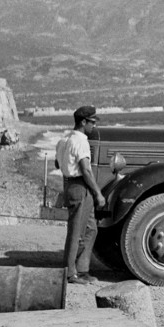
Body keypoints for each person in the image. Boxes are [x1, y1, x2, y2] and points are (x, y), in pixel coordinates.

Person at [55, 105, 106, 285]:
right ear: (83, 122)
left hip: (70, 184)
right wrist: (98, 193)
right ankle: (70, 273)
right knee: (77, 231)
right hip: (79, 186)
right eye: (92, 122)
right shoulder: (81, 141)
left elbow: (57, 163)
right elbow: (86, 170)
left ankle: (82, 269)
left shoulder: (63, 140)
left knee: (91, 229)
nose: (94, 126)